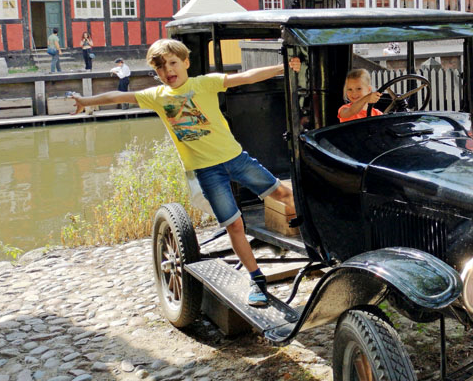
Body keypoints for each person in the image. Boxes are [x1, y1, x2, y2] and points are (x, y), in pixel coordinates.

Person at [71, 38, 301, 307]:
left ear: (185, 63)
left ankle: (317, 240)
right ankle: (257, 280)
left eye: (172, 63)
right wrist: (85, 100)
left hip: (236, 159)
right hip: (207, 171)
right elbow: (116, 96)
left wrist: (280, 67)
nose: (168, 70)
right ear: (155, 73)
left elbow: (246, 77)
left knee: (285, 194)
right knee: (234, 225)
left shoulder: (203, 83)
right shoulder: (156, 97)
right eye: (160, 68)